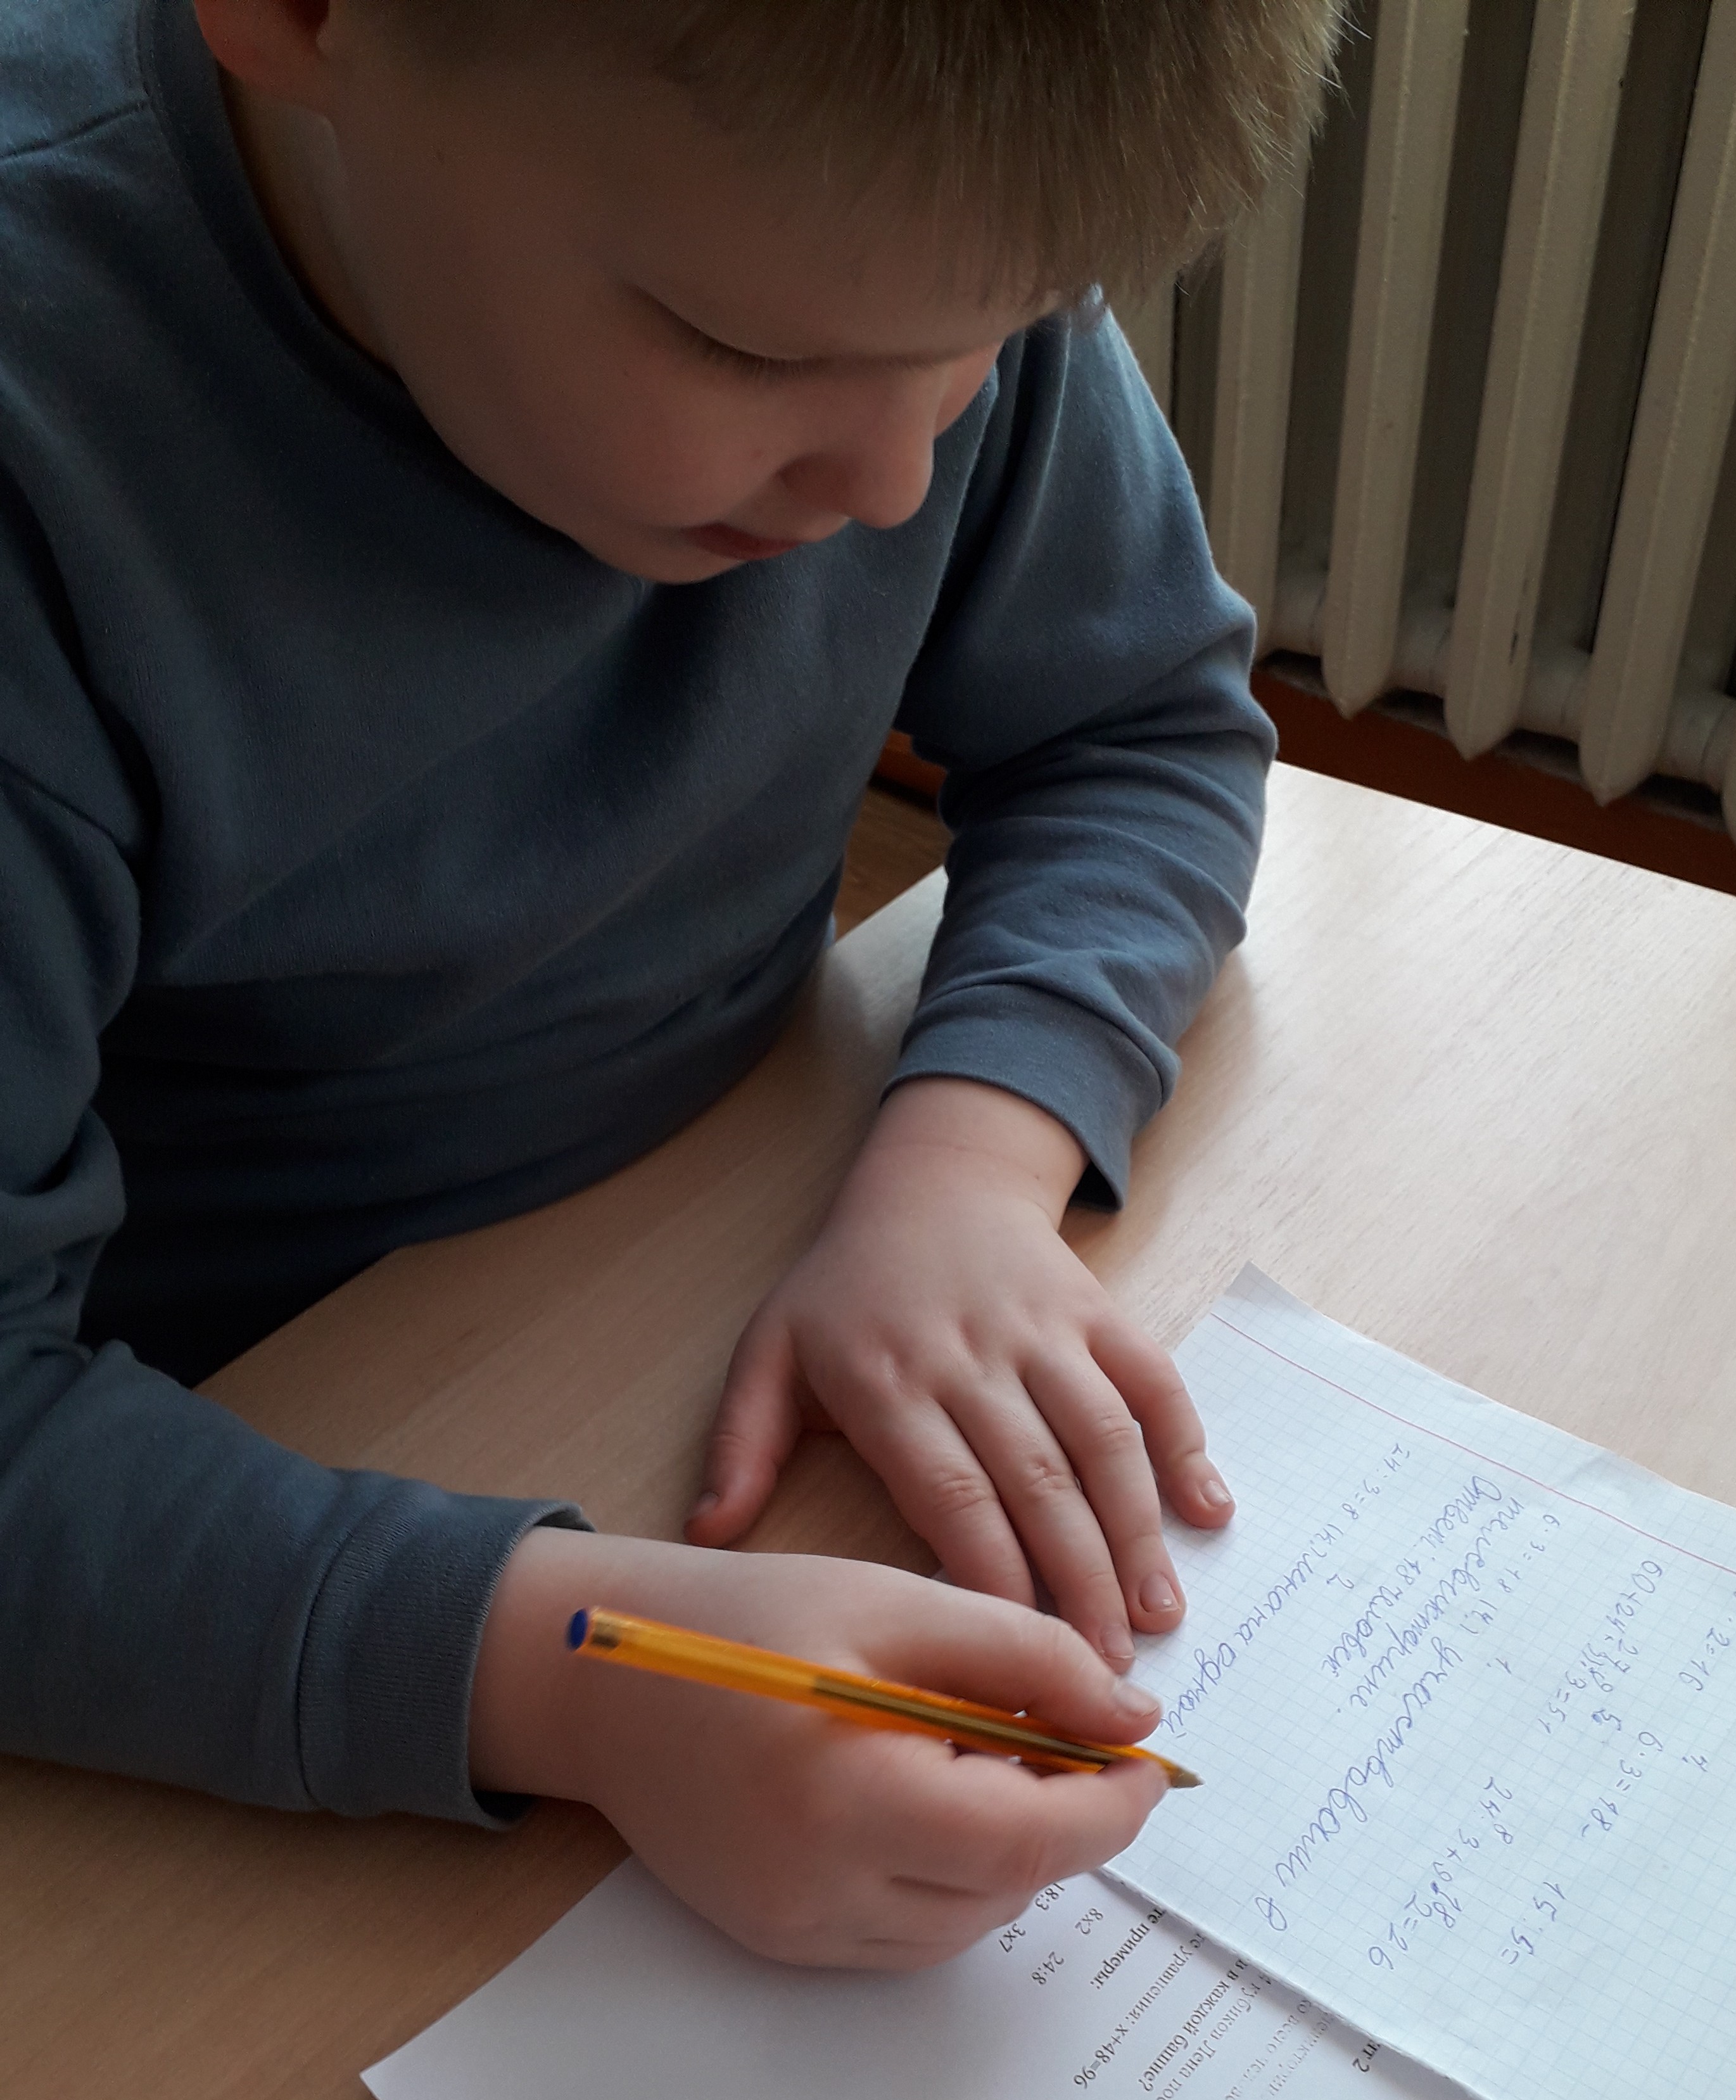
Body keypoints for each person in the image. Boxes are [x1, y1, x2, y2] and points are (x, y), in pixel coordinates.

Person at [0, 0, 1334, 1966]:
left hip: (672, 1262)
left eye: (1010, 328)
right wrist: (573, 1674)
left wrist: (967, 1175)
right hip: (217, 1467)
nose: (898, 476)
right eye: (750, 350)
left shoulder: (885, 249)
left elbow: (1137, 727)